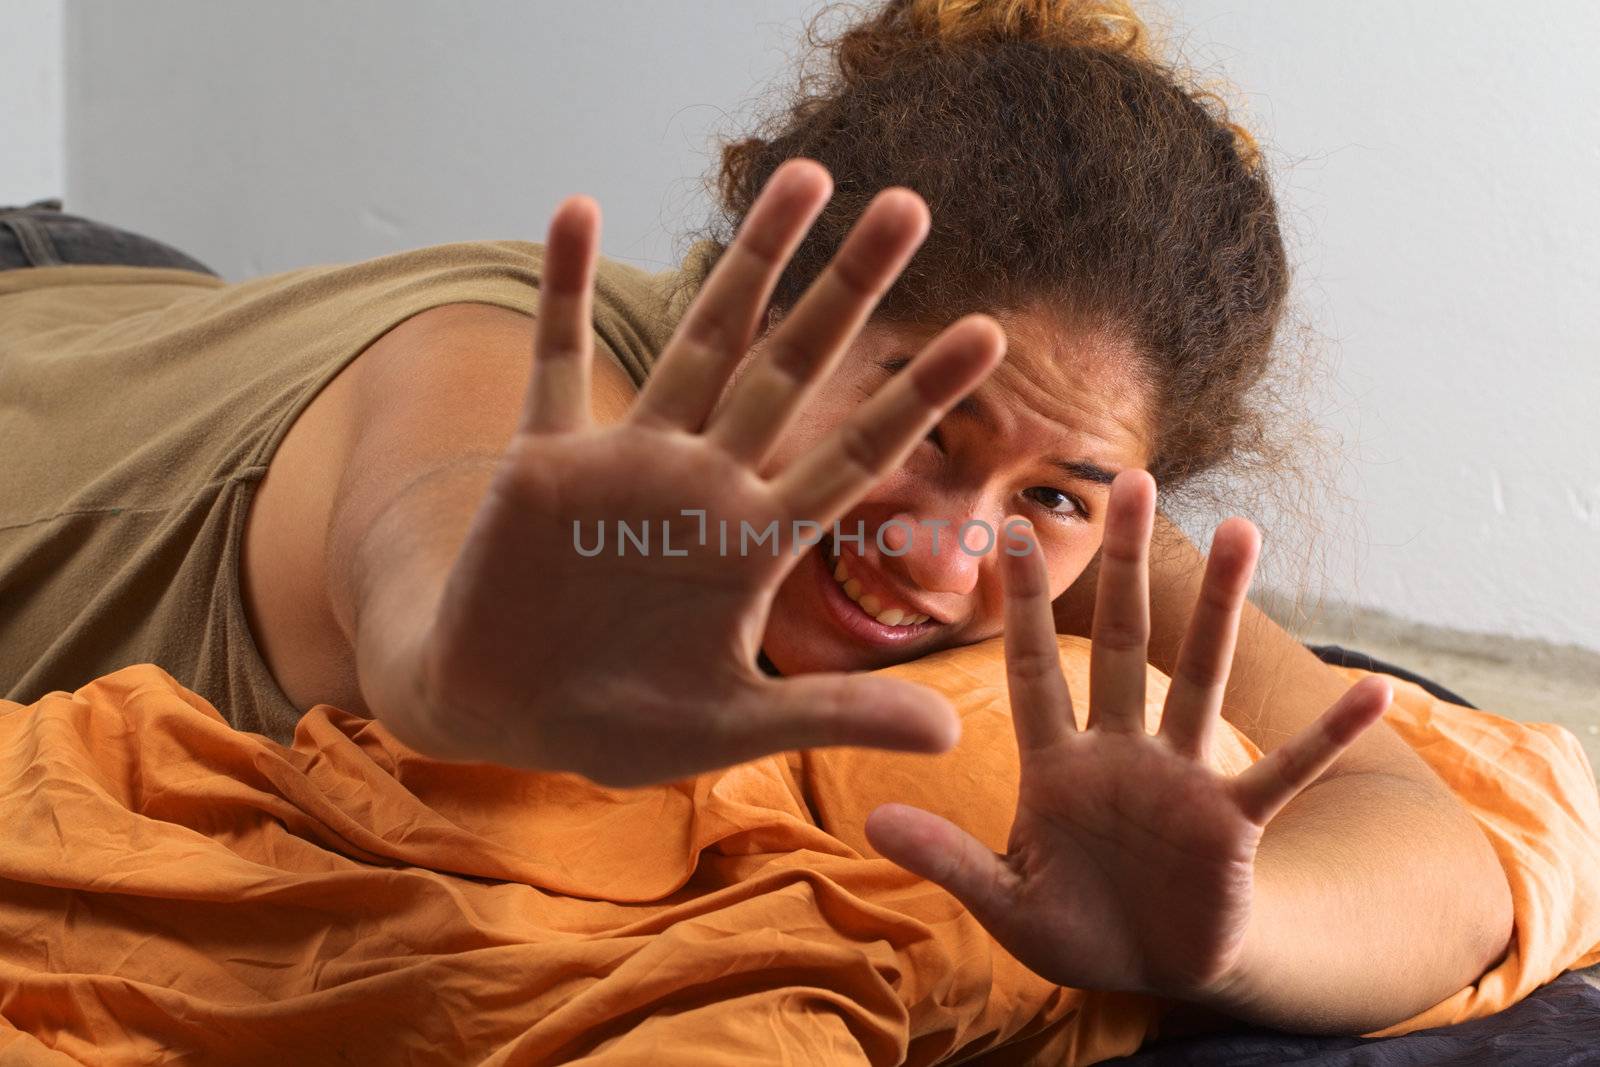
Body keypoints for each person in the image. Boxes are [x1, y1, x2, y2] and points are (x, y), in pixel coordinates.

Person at [0, 0, 1516, 1038]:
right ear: (759, 310)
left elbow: (1432, 861)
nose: (942, 550)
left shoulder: (1071, 506)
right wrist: (494, 673)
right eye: (915, 425)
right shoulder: (481, 382)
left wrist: (1230, 941)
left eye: (1042, 495)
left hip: (173, 307)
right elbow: (435, 578)